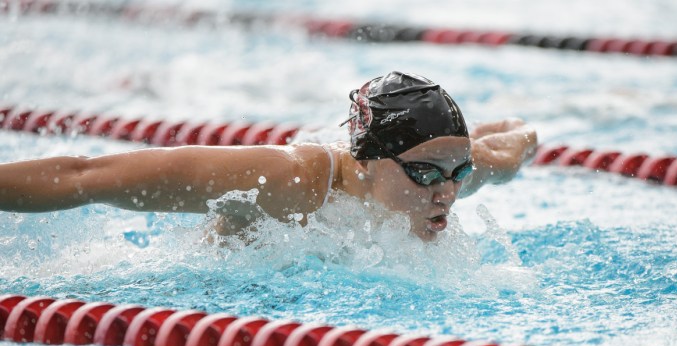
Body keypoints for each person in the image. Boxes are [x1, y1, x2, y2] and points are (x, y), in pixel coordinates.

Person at [0, 71, 537, 241]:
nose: (447, 192)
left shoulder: (445, 180)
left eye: (458, 171)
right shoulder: (284, 180)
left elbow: (513, 145)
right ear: (369, 162)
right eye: (426, 172)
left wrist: (512, 131)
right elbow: (89, 176)